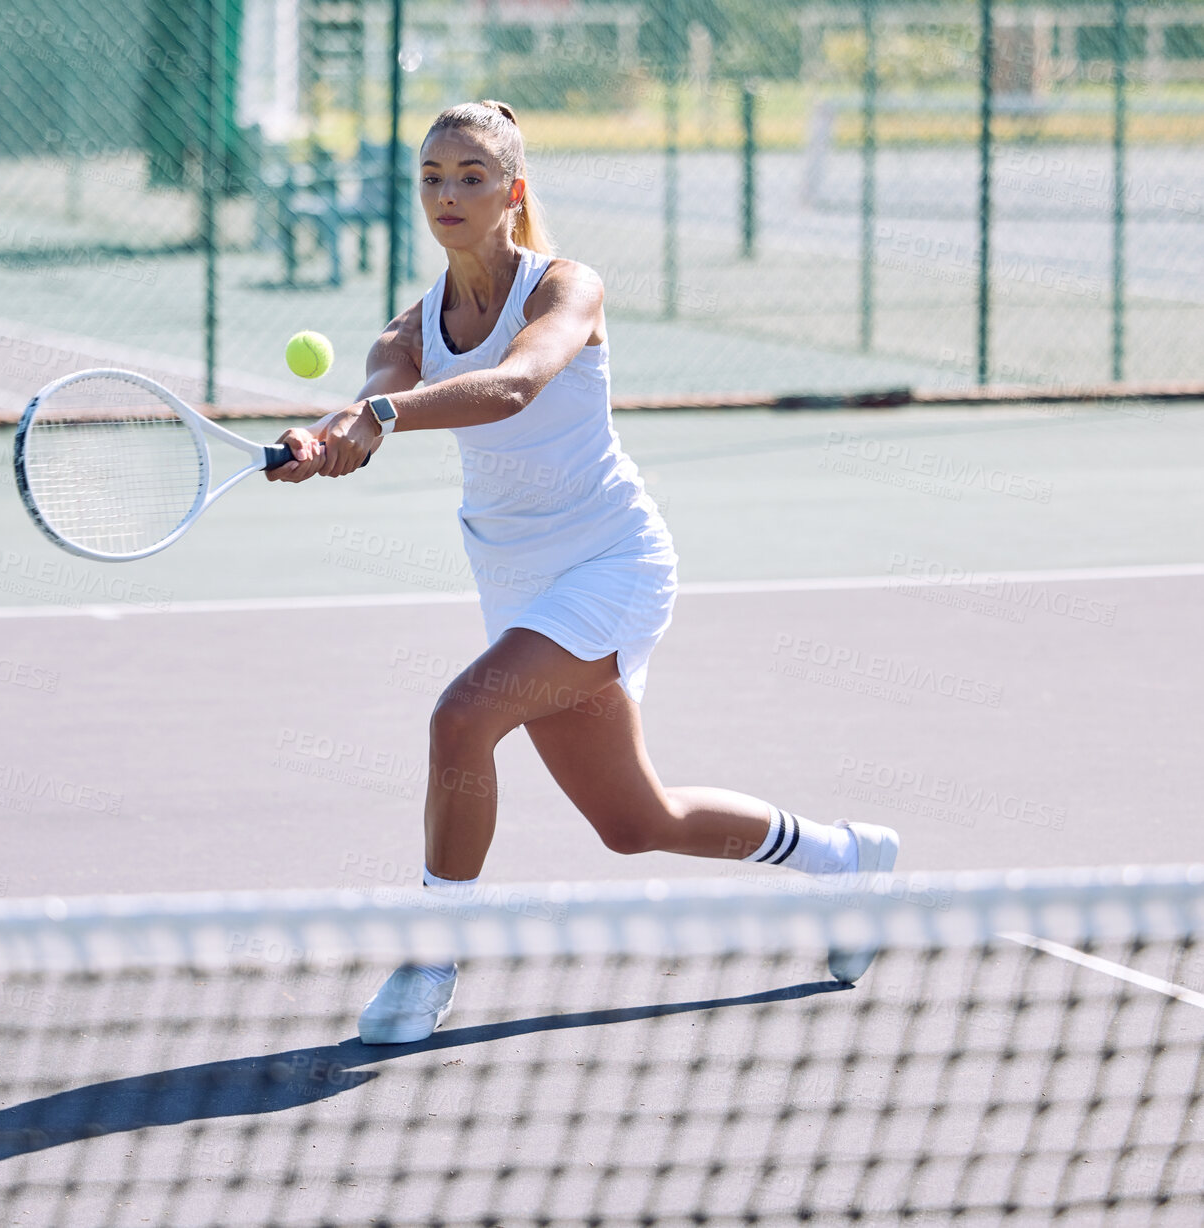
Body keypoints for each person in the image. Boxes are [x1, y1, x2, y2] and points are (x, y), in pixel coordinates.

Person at [267, 101, 899, 1045]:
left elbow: (515, 384)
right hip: (515, 583)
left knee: (460, 716)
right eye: (433, 176)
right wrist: (326, 441)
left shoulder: (566, 288)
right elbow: (370, 404)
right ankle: (845, 857)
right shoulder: (409, 331)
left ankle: (432, 953)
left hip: (611, 561)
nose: (448, 193)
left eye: (471, 176)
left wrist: (384, 422)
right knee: (635, 820)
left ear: (511, 192)